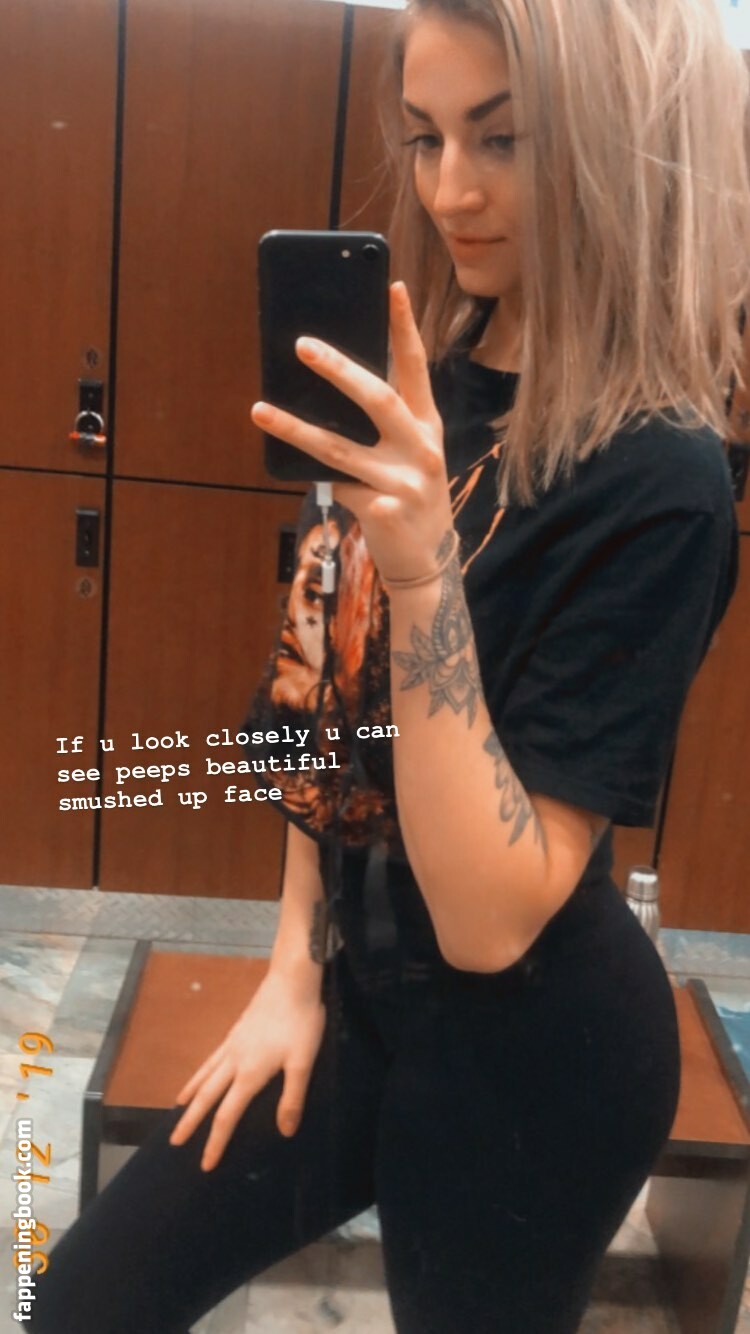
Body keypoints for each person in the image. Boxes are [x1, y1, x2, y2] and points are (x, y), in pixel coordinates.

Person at [29, 1, 748, 1331]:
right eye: (426, 136)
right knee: (85, 1298)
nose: (449, 188)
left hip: (537, 1055)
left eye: (503, 139)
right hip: (358, 983)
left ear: (617, 150)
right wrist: (291, 970)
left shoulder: (663, 477)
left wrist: (421, 575)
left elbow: (492, 918)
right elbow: (315, 702)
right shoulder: (423, 389)